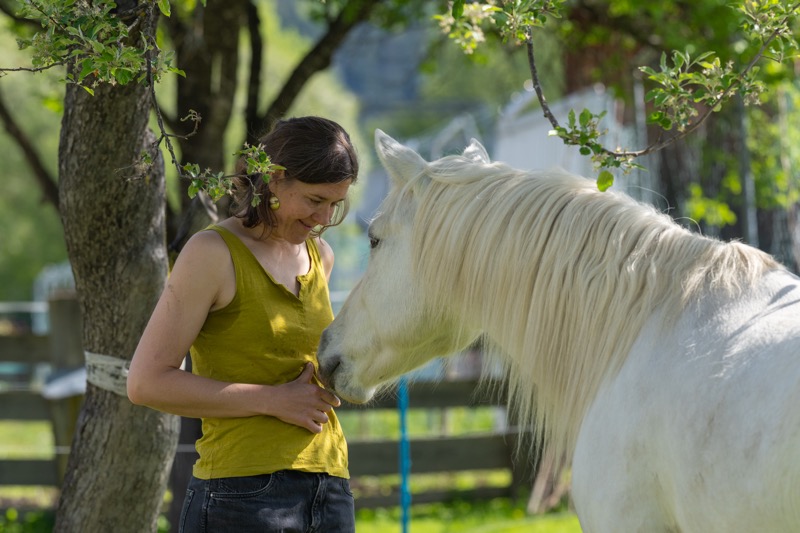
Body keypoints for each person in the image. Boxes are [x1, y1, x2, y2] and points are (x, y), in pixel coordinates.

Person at [127, 116, 359, 532]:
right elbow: (146, 382)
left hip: (331, 486)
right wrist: (274, 400)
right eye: (314, 200)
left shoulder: (320, 255)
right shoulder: (211, 253)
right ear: (273, 179)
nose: (324, 217)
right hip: (241, 493)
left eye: (335, 204)